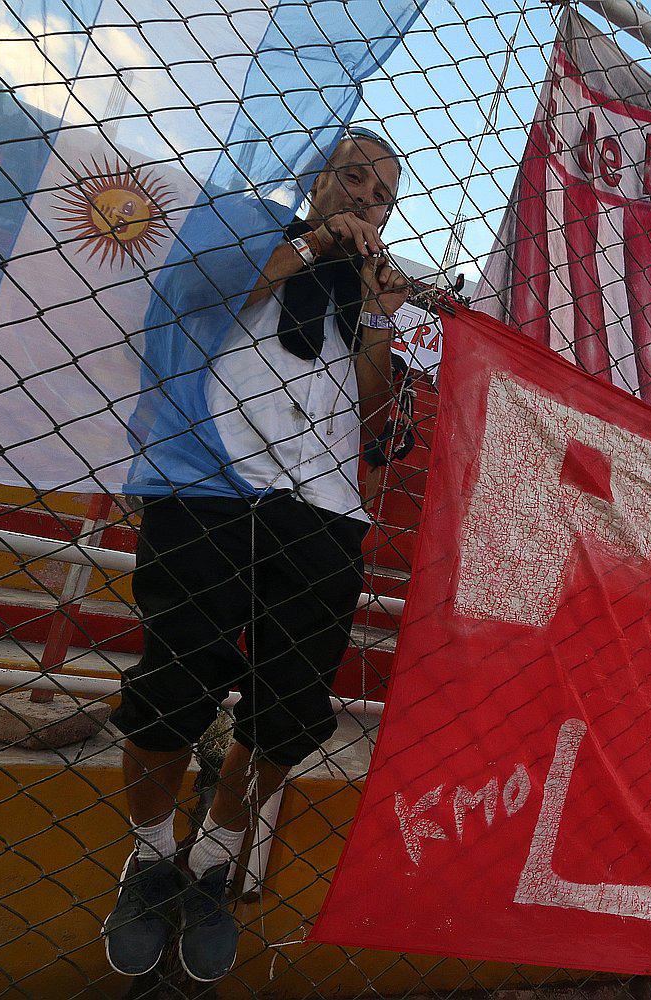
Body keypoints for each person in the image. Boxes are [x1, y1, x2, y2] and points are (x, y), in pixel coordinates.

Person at [101, 129, 412, 983]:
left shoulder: (366, 284)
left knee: (289, 713)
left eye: (382, 195)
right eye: (354, 179)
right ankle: (150, 857)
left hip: (323, 508)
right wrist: (312, 245)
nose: (366, 200)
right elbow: (196, 292)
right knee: (172, 690)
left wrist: (377, 311)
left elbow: (371, 402)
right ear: (316, 180)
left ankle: (213, 857)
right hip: (213, 485)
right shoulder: (244, 231)